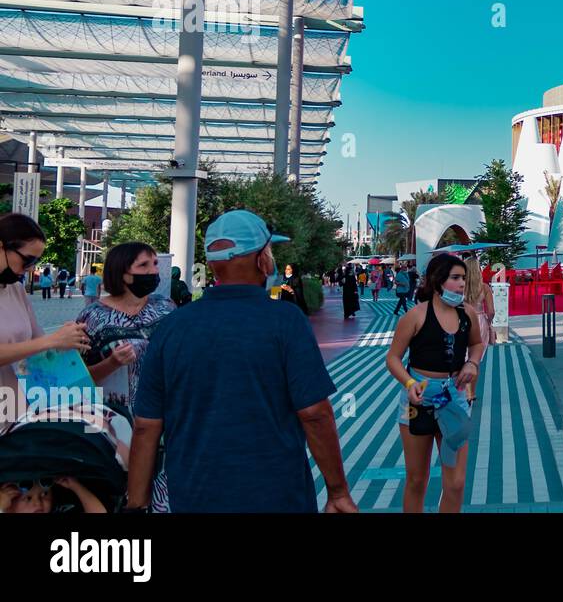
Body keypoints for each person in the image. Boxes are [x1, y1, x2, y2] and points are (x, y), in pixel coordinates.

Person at [125, 210, 356, 513]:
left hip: (192, 494)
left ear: (212, 263)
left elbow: (146, 426)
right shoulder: (286, 321)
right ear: (262, 260)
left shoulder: (171, 327)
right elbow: (314, 413)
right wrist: (337, 491)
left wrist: (136, 503)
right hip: (278, 495)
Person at [78, 241, 175, 511]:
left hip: (164, 421)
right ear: (122, 273)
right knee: (119, 495)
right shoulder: (92, 316)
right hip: (114, 424)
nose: (153, 271)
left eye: (155, 264)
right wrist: (111, 363)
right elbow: (77, 377)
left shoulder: (166, 308)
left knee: (163, 495)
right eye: (143, 265)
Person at [387, 253, 484, 513]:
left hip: (454, 398)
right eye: (455, 278)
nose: (462, 284)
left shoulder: (468, 314)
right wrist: (409, 383)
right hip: (418, 400)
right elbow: (393, 359)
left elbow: (477, 344)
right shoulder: (415, 316)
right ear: (437, 281)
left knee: (456, 482)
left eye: (463, 278)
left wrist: (472, 363)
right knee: (417, 480)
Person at [0, 214, 90, 433]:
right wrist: (52, 341)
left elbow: (38, 343)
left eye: (36, 262)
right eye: (28, 260)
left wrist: (66, 340)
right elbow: (42, 343)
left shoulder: (15, 290)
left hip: (16, 414)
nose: (31, 269)